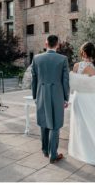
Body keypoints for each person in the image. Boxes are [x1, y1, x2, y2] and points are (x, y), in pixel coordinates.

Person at [31, 35, 70, 164]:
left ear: (46, 44)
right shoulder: (63, 59)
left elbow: (34, 79)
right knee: (55, 124)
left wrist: (35, 96)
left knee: (44, 122)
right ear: (57, 44)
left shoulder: (36, 58)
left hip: (41, 93)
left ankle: (45, 151)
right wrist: (66, 98)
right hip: (57, 94)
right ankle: (53, 154)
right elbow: (65, 80)